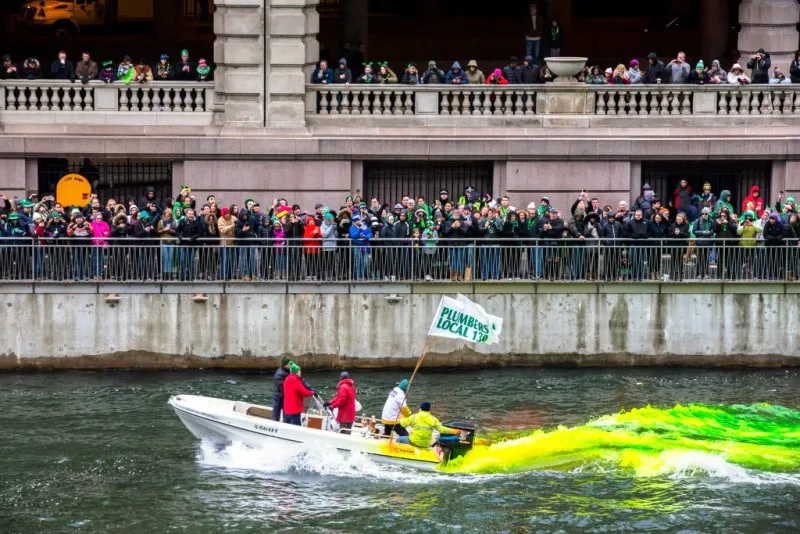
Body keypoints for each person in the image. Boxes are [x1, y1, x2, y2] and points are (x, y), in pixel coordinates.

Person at [282, 361, 315, 425]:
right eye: (299, 371)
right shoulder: (296, 382)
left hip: (287, 408)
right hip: (295, 409)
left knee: (287, 426)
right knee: (296, 427)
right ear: (296, 373)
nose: (300, 372)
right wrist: (312, 392)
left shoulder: (286, 380)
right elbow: (305, 393)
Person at [271, 357, 291, 421]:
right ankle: (275, 424)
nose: (291, 365)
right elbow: (283, 387)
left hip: (283, 395)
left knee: (284, 411)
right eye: (289, 364)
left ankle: (285, 423)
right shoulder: (279, 374)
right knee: (276, 412)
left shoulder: (288, 371)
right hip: (279, 395)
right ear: (285, 365)